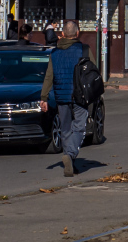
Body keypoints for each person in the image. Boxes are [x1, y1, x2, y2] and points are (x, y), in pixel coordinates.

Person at [39, 20, 92, 177]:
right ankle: (70, 154)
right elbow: (92, 72)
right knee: (79, 127)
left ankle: (70, 161)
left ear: (62, 34)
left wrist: (44, 97)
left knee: (66, 129)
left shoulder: (54, 53)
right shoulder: (84, 50)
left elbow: (49, 76)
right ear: (77, 33)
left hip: (61, 96)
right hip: (80, 95)